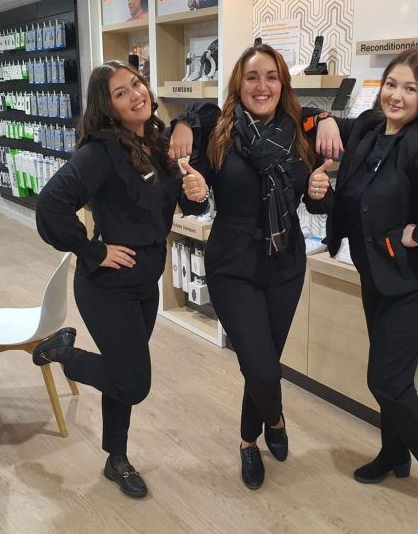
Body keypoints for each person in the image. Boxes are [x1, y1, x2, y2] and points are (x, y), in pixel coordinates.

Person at [305, 49, 418, 506]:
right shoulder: (368, 126)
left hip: (413, 281)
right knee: (391, 377)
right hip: (377, 273)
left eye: (410, 88)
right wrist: (325, 118)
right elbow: (310, 126)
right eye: (391, 84)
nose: (396, 96)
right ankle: (393, 453)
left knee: (387, 381)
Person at [32, 60, 206, 498]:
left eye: (137, 84)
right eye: (121, 93)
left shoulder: (157, 144)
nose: (136, 94)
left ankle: (117, 459)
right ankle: (62, 352)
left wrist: (196, 195)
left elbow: (177, 203)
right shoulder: (100, 152)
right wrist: (93, 251)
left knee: (120, 371)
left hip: (145, 284)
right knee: (132, 381)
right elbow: (51, 206)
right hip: (108, 287)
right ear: (107, 107)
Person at [169, 44, 328, 490]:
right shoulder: (219, 134)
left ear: (283, 84)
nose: (262, 86)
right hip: (232, 263)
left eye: (271, 77)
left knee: (265, 360)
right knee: (261, 369)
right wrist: (193, 192)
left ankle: (246, 441)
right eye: (253, 77)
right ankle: (274, 420)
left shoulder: (300, 134)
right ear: (239, 84)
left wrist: (321, 192)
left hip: (285, 262)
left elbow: (319, 199)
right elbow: (191, 197)